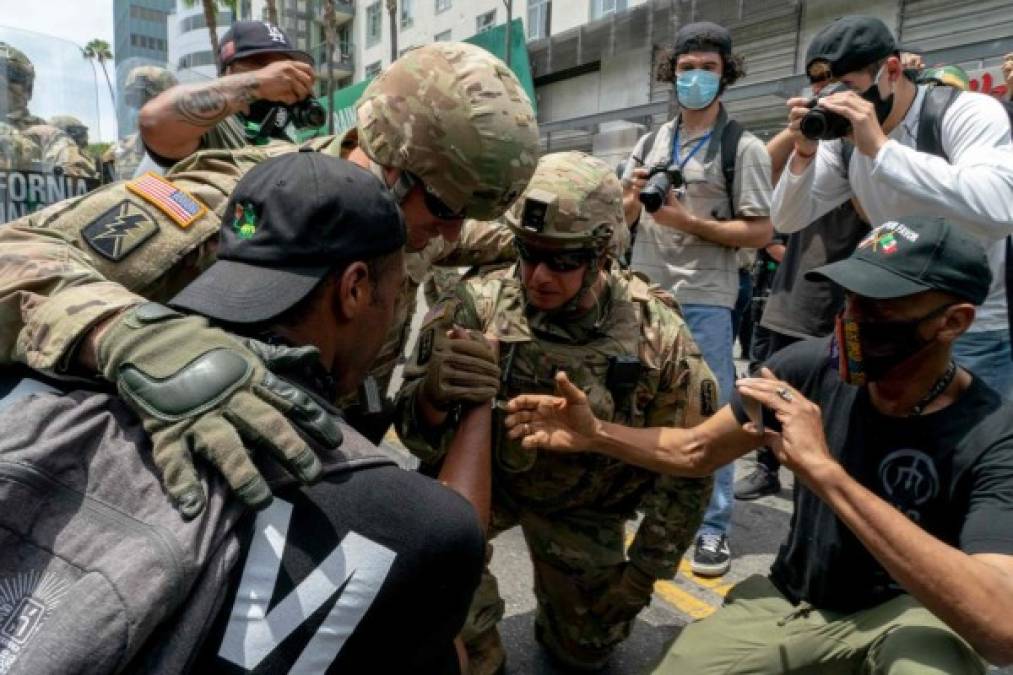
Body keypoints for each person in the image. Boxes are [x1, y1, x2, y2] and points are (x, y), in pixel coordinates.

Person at [0, 41, 538, 517]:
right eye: (444, 206)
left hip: (326, 474)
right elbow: (17, 252)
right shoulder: (248, 200)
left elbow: (514, 245)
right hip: (189, 501)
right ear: (391, 165)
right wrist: (129, 333)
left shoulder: (422, 221)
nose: (450, 230)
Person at [0, 152, 490, 674]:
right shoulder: (419, 527)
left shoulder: (41, 401)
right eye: (394, 296)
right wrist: (481, 402)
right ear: (355, 289)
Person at [505, 217, 1013, 673]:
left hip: (908, 619)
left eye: (879, 306)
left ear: (953, 322)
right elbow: (695, 453)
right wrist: (595, 433)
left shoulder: (993, 434)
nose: (852, 319)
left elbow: (1002, 627)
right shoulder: (807, 370)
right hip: (792, 602)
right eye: (850, 297)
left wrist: (824, 473)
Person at [396, 151, 715, 674]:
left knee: (586, 648)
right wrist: (431, 398)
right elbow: (417, 443)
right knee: (429, 588)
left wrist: (641, 576)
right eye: (527, 252)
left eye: (562, 260)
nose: (539, 275)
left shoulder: (655, 335)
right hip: (487, 488)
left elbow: (690, 468)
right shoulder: (473, 306)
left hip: (584, 507)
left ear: (602, 254)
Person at [770, 15, 1013, 399]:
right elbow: (787, 217)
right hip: (888, 326)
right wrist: (803, 153)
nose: (839, 103)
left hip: (970, 329)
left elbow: (999, 210)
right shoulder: (843, 140)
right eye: (825, 91)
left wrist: (882, 149)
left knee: (969, 452)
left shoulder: (966, 112)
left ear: (892, 70)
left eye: (847, 88)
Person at [622, 21, 773, 576]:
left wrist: (690, 222)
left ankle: (713, 528)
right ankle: (653, 505)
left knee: (712, 410)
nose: (695, 78)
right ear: (671, 72)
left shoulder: (746, 147)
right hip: (645, 290)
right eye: (686, 68)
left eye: (708, 68)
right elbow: (626, 218)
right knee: (643, 402)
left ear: (725, 74)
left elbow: (759, 232)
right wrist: (631, 197)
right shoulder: (650, 142)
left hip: (707, 297)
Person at [735, 57, 870, 500]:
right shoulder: (808, 143)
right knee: (774, 387)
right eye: (817, 83)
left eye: (837, 82)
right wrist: (802, 130)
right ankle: (766, 465)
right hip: (793, 295)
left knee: (842, 399)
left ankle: (828, 486)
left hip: (850, 301)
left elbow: (879, 212)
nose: (825, 91)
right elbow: (759, 168)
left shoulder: (867, 146)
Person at [139, 20, 317, 165]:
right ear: (228, 72)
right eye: (260, 63)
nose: (280, 75)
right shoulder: (212, 126)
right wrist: (260, 83)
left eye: (284, 66)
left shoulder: (287, 139)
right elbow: (153, 121)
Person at [0, 42, 98, 179]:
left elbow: (77, 181)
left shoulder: (45, 135)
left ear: (28, 89)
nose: (2, 80)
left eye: (13, 74)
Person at [103, 65, 179, 181]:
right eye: (134, 101)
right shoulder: (117, 152)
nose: (139, 109)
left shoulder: (192, 151)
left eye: (148, 100)